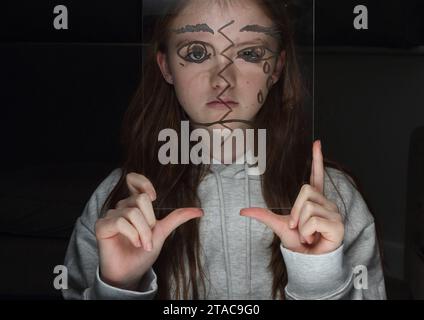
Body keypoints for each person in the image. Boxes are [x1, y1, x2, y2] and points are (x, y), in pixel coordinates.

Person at [62, 0, 386, 300]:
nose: (222, 80)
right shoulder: (117, 202)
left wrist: (319, 279)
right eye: (197, 52)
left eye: (250, 54)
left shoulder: (334, 199)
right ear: (166, 67)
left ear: (276, 68)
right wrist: (118, 288)